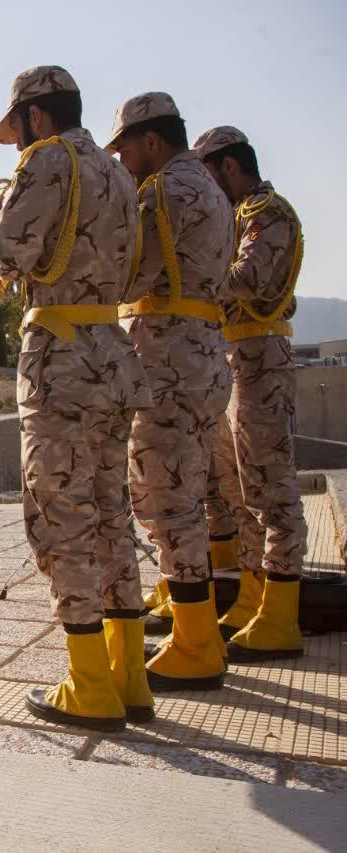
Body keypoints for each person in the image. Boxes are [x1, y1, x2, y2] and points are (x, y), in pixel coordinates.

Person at [0, 66, 148, 732]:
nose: (16, 145)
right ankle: (128, 675)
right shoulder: (118, 175)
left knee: (59, 518)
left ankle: (89, 684)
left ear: (35, 118)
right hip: (110, 346)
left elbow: (12, 250)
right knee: (111, 514)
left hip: (62, 357)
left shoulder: (47, 162)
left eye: (15, 130)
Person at [107, 94, 236, 694]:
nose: (124, 158)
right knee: (186, 497)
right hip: (204, 352)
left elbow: (132, 275)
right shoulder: (213, 190)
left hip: (168, 359)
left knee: (168, 503)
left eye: (127, 146)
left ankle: (195, 644)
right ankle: (196, 626)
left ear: (152, 141)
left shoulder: (162, 193)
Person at [195, 126, 308, 663]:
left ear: (230, 168)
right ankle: (252, 595)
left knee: (271, 488)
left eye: (209, 172)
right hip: (233, 355)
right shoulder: (237, 217)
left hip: (262, 354)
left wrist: (194, 271)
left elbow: (253, 277)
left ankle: (282, 615)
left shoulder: (267, 213)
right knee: (238, 490)